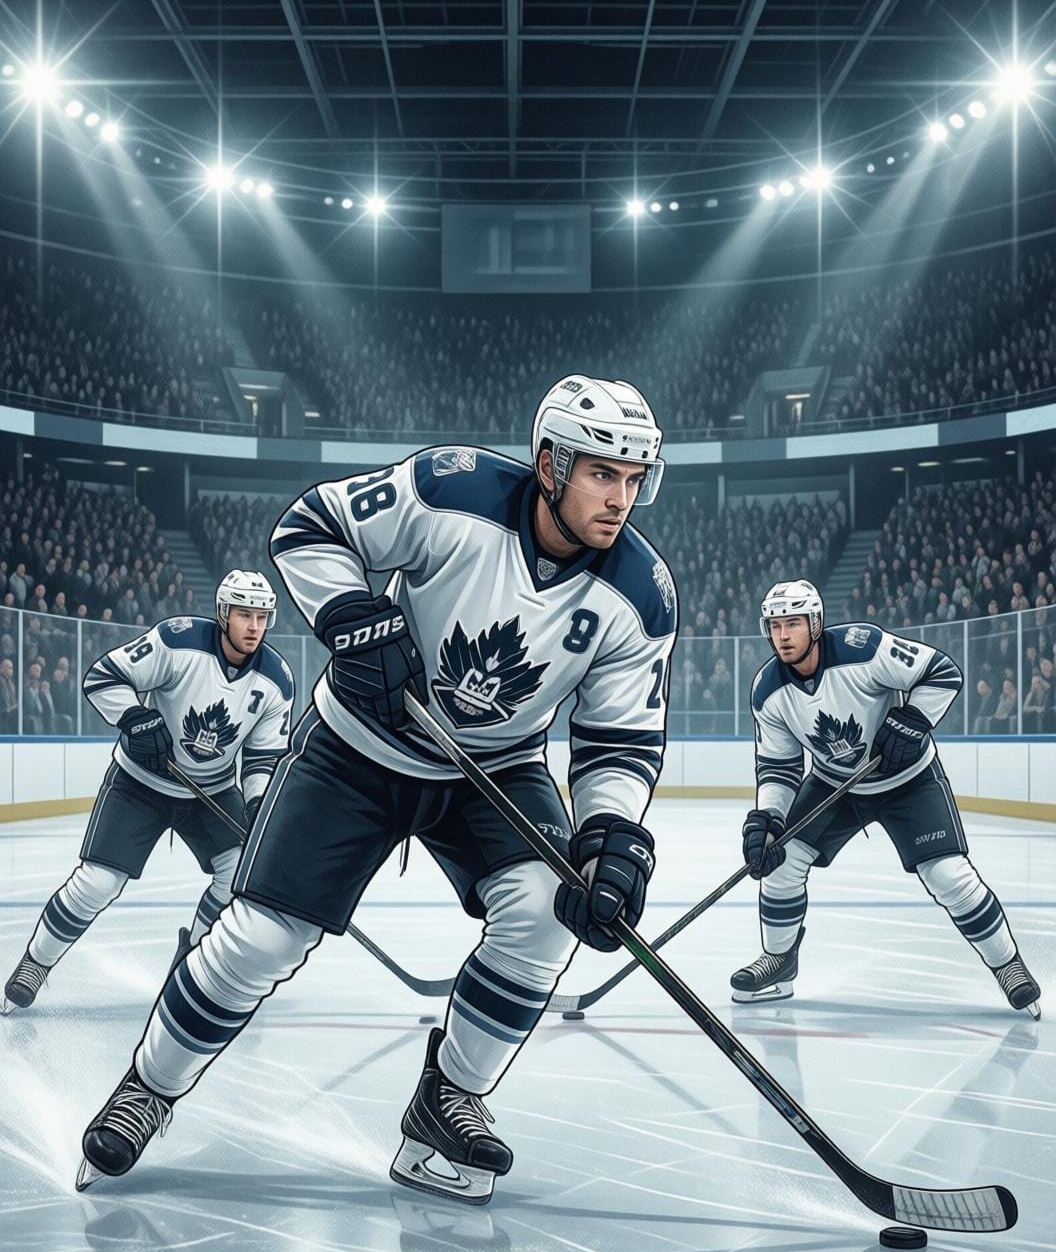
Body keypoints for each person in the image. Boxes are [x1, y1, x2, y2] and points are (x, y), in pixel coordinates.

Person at [76, 375, 677, 1201]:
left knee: (547, 913)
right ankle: (149, 1086)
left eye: (635, 477)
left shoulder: (642, 594)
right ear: (550, 464)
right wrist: (352, 614)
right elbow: (310, 527)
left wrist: (610, 833)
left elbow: (619, 740)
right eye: (602, 474)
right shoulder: (450, 489)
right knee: (262, 937)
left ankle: (447, 1100)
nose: (621, 498)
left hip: (494, 769)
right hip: (357, 749)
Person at [732, 579, 1040, 1017]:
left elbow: (942, 672)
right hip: (835, 784)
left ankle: (1008, 965)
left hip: (909, 780)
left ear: (815, 624)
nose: (783, 636)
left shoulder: (863, 648)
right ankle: (780, 962)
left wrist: (914, 718)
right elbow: (779, 767)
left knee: (948, 875)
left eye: (793, 623)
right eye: (775, 625)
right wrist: (770, 819)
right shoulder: (768, 690)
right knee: (780, 860)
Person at [1, 572, 294, 1016]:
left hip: (211, 792)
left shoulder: (277, 679)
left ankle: (192, 967)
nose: (254, 626)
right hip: (140, 783)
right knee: (97, 883)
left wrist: (257, 803)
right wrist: (136, 717)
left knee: (237, 876)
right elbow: (104, 677)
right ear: (223, 613)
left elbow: (261, 758)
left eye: (261, 616)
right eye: (244, 614)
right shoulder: (178, 641)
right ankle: (35, 964)